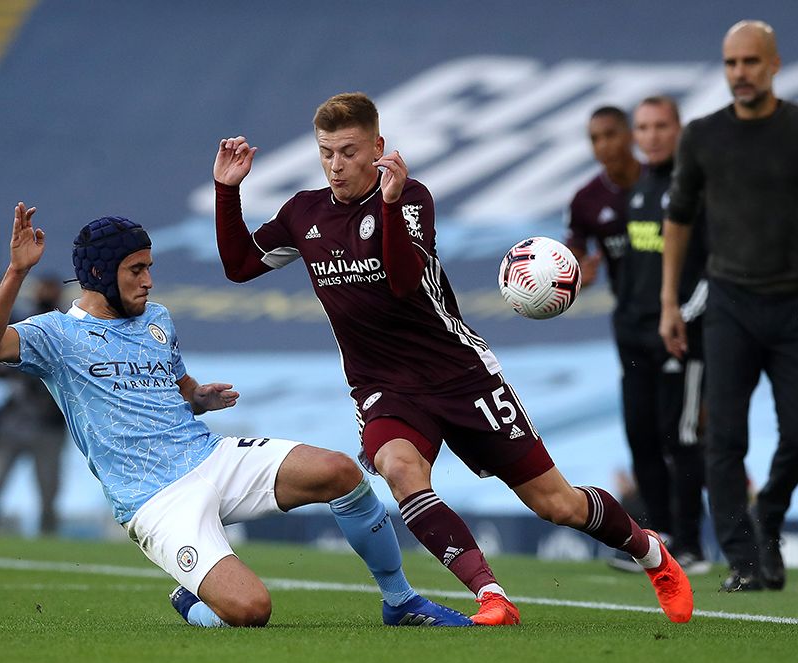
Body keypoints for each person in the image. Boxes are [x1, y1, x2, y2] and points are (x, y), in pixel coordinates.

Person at [213, 91, 693, 624]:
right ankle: (491, 596)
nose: (335, 165)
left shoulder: (412, 198)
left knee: (557, 504)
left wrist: (391, 206)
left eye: (348, 151)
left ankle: (652, 553)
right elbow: (239, 265)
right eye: (326, 152)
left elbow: (400, 284)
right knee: (399, 470)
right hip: (384, 386)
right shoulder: (304, 212)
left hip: (460, 376)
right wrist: (227, 192)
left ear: (378, 148)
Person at [0, 203, 476, 628]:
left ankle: (400, 601)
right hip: (154, 499)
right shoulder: (55, 335)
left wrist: (198, 397)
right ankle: (194, 596)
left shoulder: (156, 321)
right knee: (253, 610)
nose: (149, 281)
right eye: (136, 270)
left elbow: (176, 385)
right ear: (100, 275)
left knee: (340, 471)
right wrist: (17, 272)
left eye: (149, 267)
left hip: (209, 456)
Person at [659, 21, 798, 592]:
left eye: (749, 62)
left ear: (774, 65)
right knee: (724, 439)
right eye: (730, 63)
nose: (739, 73)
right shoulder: (701, 135)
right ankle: (743, 558)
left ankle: (768, 511)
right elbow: (680, 219)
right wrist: (670, 300)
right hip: (731, 302)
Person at [615, 96, 709, 574]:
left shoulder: (694, 187)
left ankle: (692, 543)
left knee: (682, 439)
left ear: (679, 129)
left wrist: (687, 319)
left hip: (681, 337)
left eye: (660, 126)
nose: (650, 136)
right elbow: (634, 265)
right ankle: (659, 538)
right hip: (634, 338)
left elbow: (713, 265)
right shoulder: (639, 188)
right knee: (642, 438)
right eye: (643, 127)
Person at [0, 276, 69, 535]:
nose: (47, 293)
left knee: (49, 492)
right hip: (17, 418)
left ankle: (49, 539)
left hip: (49, 423)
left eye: (52, 289)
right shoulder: (23, 324)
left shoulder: (67, 328)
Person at [564, 106, 638, 289]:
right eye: (595, 139)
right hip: (630, 312)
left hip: (686, 305)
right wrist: (576, 276)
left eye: (610, 135)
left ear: (631, 135)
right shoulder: (585, 200)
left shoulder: (666, 181)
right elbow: (572, 260)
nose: (603, 145)